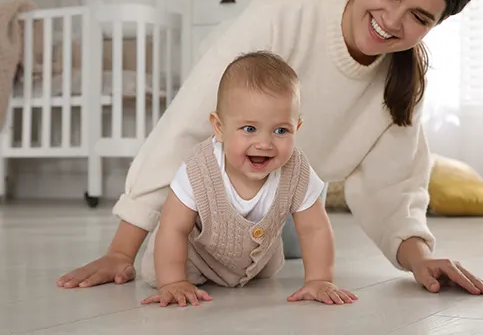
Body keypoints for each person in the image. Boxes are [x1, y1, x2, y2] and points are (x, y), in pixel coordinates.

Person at [57, 0, 483, 297]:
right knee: (186, 250)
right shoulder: (289, 6)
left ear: (436, 25)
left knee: (284, 245)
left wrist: (419, 258)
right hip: (211, 193)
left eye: (420, 18)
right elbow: (187, 125)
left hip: (285, 201)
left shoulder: (404, 83)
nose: (392, 20)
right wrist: (121, 250)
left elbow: (394, 186)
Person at [141, 51, 357, 307]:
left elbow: (315, 228)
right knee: (159, 268)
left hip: (256, 262)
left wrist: (319, 279)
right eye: (249, 129)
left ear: (296, 128)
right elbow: (174, 227)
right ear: (219, 128)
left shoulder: (297, 170)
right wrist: (173, 281)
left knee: (271, 265)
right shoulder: (199, 168)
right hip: (195, 256)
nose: (264, 143)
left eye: (280, 130)